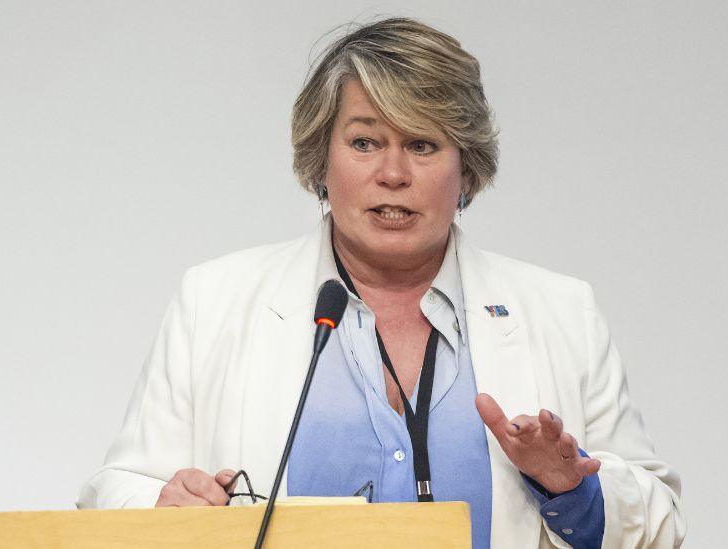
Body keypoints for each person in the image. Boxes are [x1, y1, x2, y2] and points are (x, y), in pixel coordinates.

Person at [77, 17, 685, 548]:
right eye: (365, 141)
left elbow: (661, 520)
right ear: (322, 160)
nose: (392, 173)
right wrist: (165, 510)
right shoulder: (215, 301)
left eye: (422, 144)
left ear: (466, 170)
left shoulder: (560, 311)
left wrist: (572, 489)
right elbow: (112, 491)